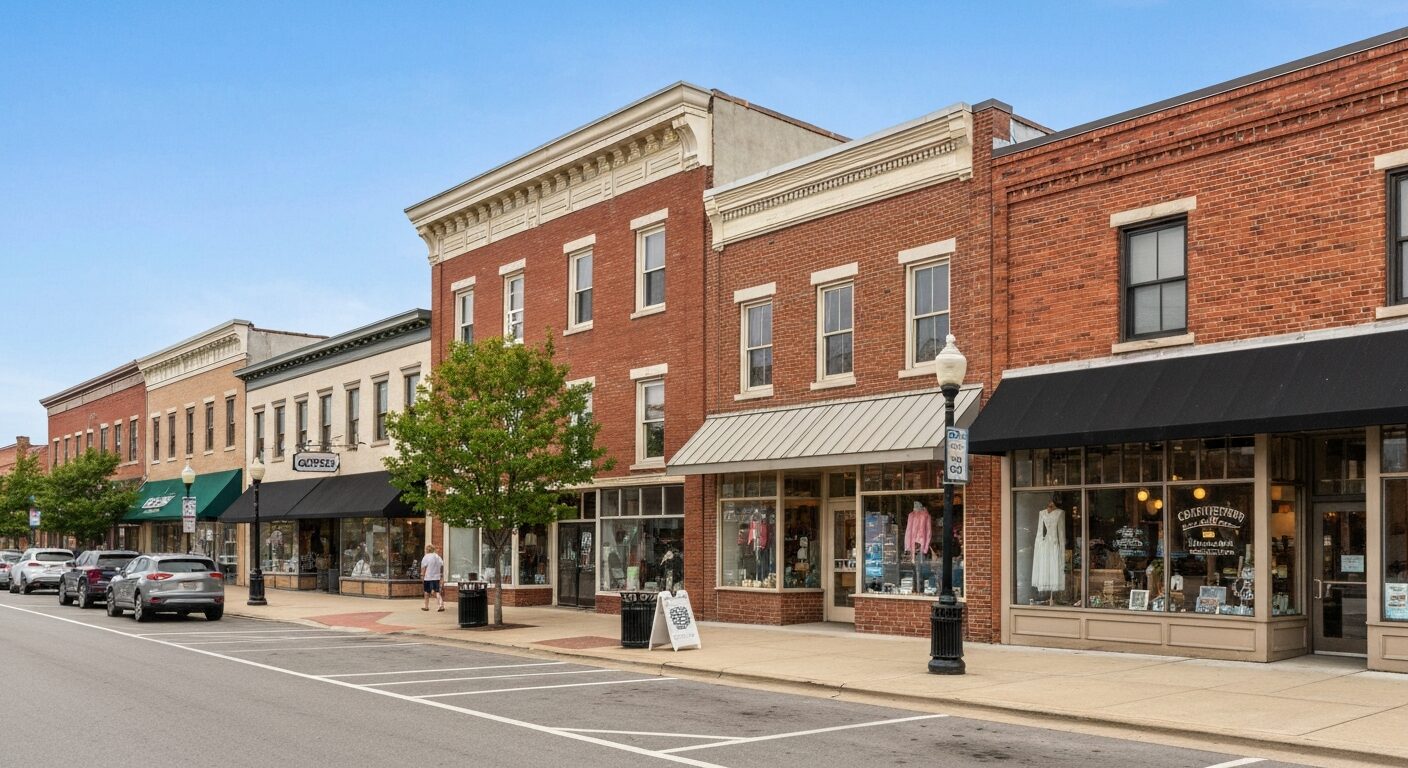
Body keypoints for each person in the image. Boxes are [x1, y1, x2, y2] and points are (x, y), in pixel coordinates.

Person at [420, 544, 445, 612]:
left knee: (426, 592)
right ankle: (441, 605)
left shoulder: (426, 557)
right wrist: (441, 575)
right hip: (436, 577)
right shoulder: (437, 557)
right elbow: (442, 565)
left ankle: (426, 606)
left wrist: (422, 575)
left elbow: (423, 567)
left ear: (427, 550)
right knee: (437, 591)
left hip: (428, 577)